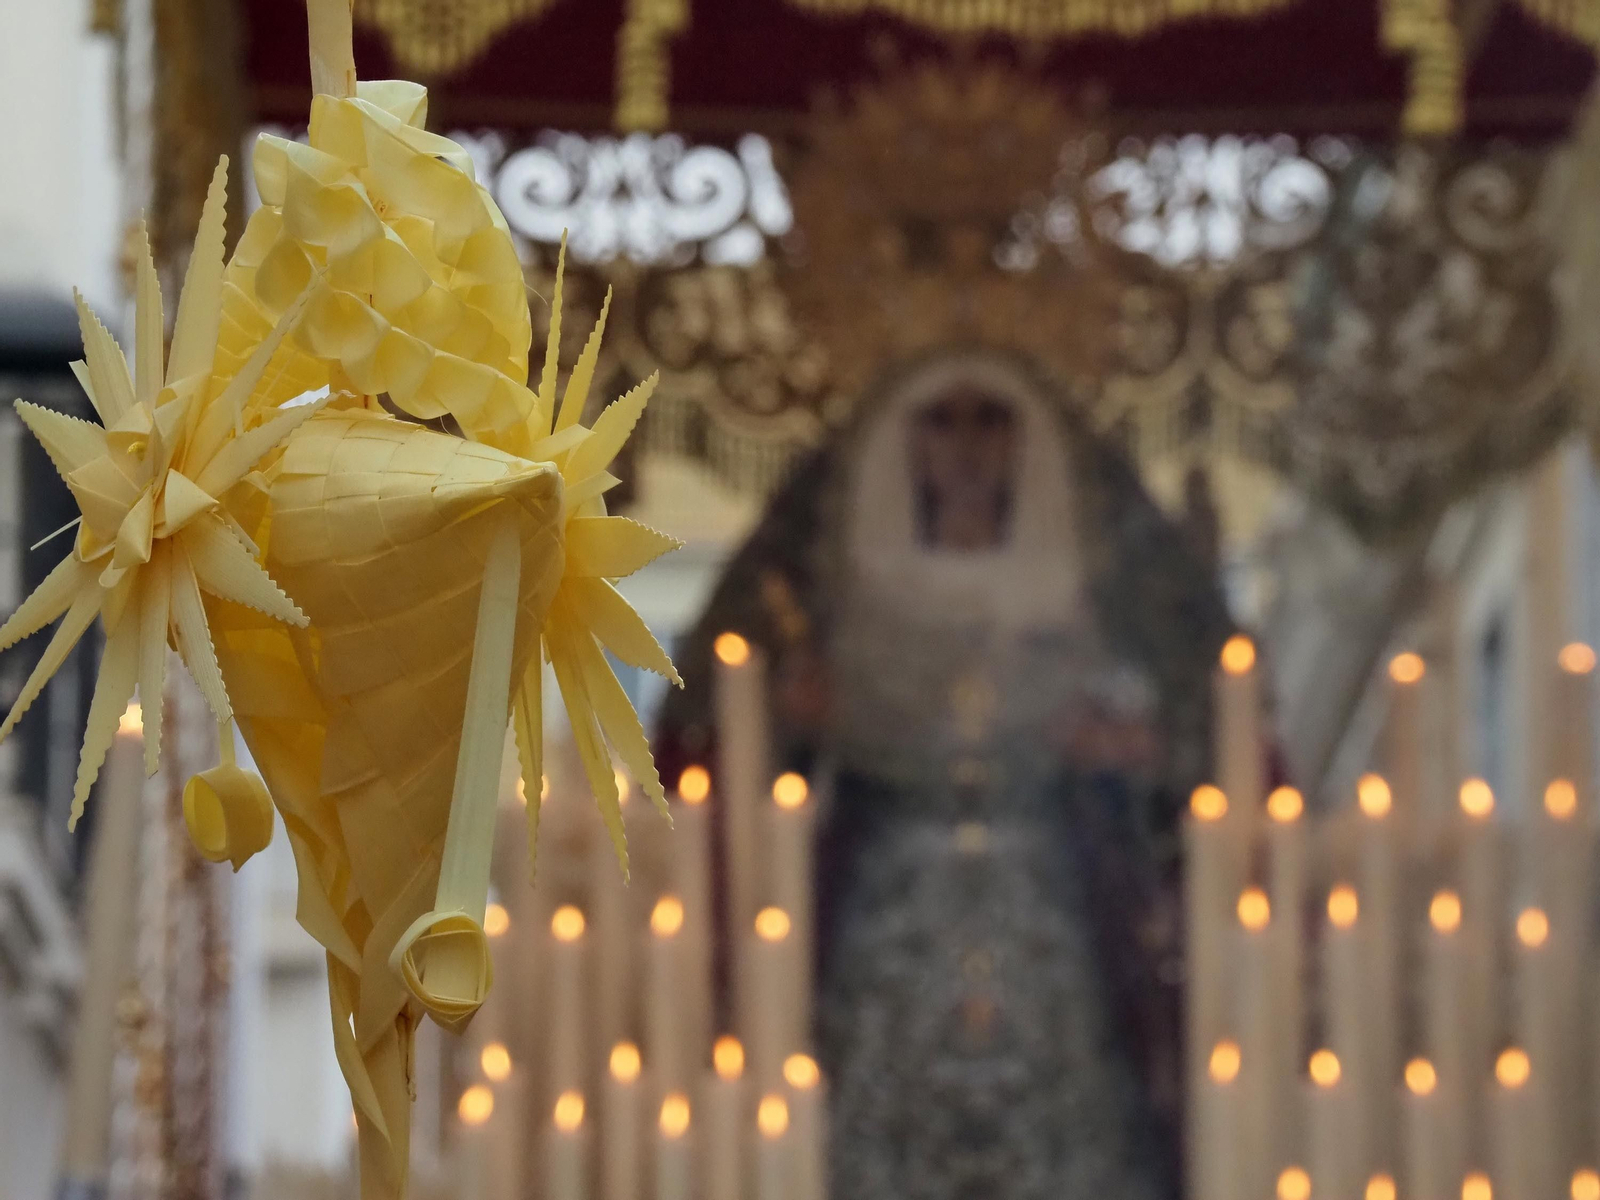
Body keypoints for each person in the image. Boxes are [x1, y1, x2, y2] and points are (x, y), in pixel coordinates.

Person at [657, 351, 1229, 1200]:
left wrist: (1133, 754)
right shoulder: (848, 607)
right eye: (941, 421)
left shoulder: (1082, 605)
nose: (966, 448)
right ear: (904, 444)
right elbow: (722, 753)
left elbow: (1204, 747)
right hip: (882, 920)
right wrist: (790, 721)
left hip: (1055, 917)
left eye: (991, 421)